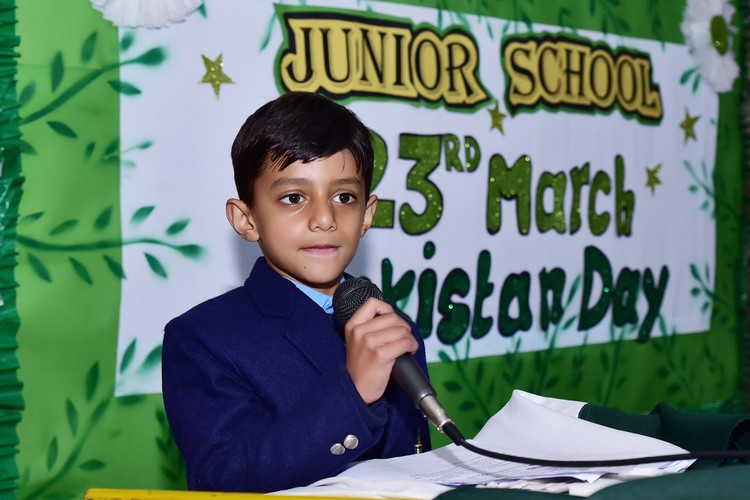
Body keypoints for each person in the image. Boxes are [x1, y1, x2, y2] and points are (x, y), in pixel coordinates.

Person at [162, 91, 432, 493]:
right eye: (293, 198)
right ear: (246, 219)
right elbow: (223, 480)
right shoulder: (202, 338)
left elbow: (414, 469)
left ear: (366, 215)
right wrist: (353, 394)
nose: (324, 218)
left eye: (344, 197)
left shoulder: (392, 327)